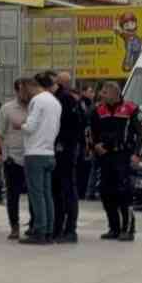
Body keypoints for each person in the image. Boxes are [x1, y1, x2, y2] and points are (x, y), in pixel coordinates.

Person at [89, 82, 142, 242]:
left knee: (124, 192)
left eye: (105, 93)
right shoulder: (97, 110)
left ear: (115, 93)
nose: (101, 95)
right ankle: (113, 227)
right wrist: (94, 146)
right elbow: (90, 131)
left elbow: (141, 134)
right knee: (106, 191)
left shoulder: (131, 109)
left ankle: (128, 228)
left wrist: (136, 154)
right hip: (105, 155)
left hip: (123, 155)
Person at [18, 73, 62, 245]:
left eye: (23, 90)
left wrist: (20, 125)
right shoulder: (55, 102)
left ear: (28, 86)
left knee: (36, 195)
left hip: (34, 153)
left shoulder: (37, 101)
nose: (23, 95)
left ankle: (39, 231)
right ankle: (49, 230)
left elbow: (31, 127)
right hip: (49, 152)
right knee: (46, 194)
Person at [0, 79, 30, 240]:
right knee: (12, 195)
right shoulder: (6, 109)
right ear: (17, 91)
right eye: (23, 90)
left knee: (34, 194)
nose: (26, 94)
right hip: (12, 158)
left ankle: (34, 224)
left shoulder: (35, 108)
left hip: (31, 157)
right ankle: (14, 226)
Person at [51, 71, 85, 243]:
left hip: (66, 152)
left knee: (67, 190)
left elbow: (76, 126)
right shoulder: (55, 99)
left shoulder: (67, 99)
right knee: (56, 191)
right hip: (56, 151)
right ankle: (57, 227)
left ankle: (70, 229)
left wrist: (64, 145)